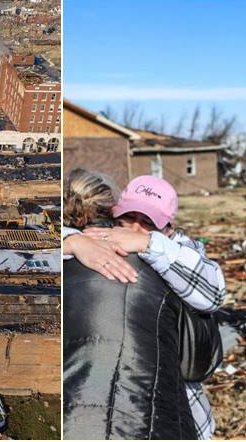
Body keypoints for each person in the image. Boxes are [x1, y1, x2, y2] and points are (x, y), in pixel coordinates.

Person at [63, 170, 226, 439]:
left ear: (168, 227)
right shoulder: (99, 236)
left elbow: (214, 292)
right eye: (129, 217)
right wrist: (73, 242)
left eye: (148, 222)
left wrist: (149, 244)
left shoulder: (180, 248)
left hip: (179, 399)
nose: (136, 227)